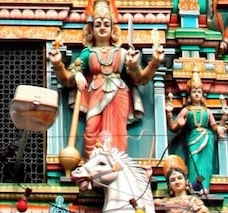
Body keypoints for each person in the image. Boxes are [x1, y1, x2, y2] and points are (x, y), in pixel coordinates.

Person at [48, 0, 163, 157]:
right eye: (98, 24)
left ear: (112, 28)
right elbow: (68, 80)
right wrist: (58, 65)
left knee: (118, 131)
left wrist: (153, 62)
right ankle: (93, 165)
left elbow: (140, 79)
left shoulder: (122, 53)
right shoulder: (88, 53)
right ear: (91, 29)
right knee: (91, 130)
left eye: (106, 24)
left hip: (119, 94)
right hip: (95, 94)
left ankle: (117, 163)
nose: (102, 27)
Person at [166, 68, 226, 191]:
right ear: (190, 94)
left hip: (207, 138)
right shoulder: (186, 111)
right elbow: (173, 127)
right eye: (194, 91)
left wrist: (222, 122)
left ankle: (204, 186)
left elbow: (214, 126)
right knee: (194, 163)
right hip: (193, 139)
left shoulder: (207, 111)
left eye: (199, 91)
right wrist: (169, 114)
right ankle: (195, 187)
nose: (197, 94)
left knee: (206, 164)